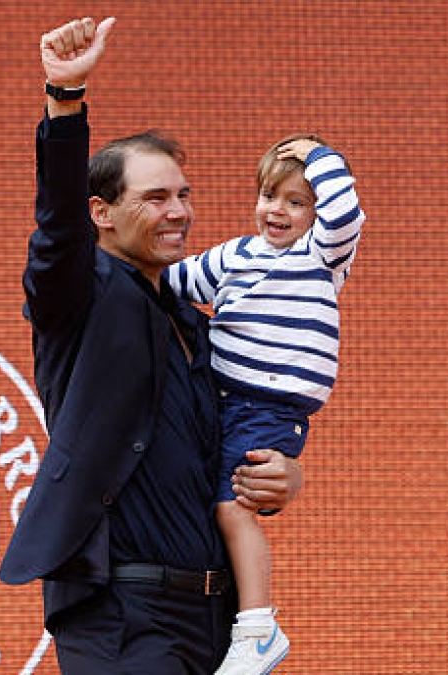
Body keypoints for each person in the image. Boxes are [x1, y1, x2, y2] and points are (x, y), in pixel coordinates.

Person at [0, 16, 304, 674]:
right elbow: (57, 228)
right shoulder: (80, 295)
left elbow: (226, 449)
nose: (179, 212)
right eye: (156, 197)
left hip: (211, 618)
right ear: (102, 212)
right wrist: (65, 99)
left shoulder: (194, 322)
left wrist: (279, 476)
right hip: (121, 613)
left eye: (185, 196)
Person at [166, 130, 365, 674]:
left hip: (271, 410)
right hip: (220, 401)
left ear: (317, 215)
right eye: (268, 196)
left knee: (235, 506)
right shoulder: (234, 254)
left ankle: (258, 626)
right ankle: (241, 617)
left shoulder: (320, 255)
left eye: (297, 202)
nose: (277, 211)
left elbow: (346, 211)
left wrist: (316, 155)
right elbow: (168, 283)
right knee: (214, 502)